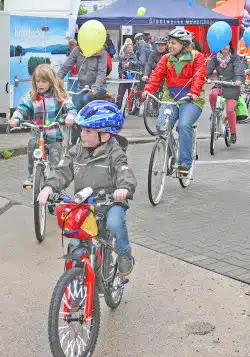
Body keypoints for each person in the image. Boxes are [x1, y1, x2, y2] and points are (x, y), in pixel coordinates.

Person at [37, 100, 137, 276]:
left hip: (110, 202)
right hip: (84, 203)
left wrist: (124, 188)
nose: (82, 134)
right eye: (82, 129)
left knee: (114, 223)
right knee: (75, 240)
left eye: (88, 131)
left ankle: (124, 254)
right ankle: (75, 283)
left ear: (104, 135)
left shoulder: (115, 154)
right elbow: (62, 171)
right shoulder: (77, 151)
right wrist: (48, 187)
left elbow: (124, 172)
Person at [142, 28, 206, 176]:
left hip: (191, 100)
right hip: (170, 98)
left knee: (184, 125)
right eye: (168, 43)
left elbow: (199, 77)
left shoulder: (197, 57)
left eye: (173, 43)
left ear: (183, 44)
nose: (169, 46)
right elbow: (156, 76)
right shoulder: (165, 59)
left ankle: (185, 163)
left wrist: (194, 93)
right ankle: (171, 154)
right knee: (160, 126)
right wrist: (148, 90)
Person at [9, 64, 77, 187]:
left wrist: (70, 117)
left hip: (54, 135)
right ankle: (31, 176)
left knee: (55, 163)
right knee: (31, 148)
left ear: (51, 82)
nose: (40, 84)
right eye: (37, 81)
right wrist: (15, 118)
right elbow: (22, 108)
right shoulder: (32, 96)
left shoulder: (59, 95)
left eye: (43, 81)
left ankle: (56, 187)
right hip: (37, 133)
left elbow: (70, 107)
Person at [57, 45, 107, 144]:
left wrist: (95, 88)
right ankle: (74, 145)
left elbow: (102, 73)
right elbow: (66, 66)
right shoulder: (78, 50)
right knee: (73, 109)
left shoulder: (101, 52)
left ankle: (93, 134)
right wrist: (56, 80)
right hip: (81, 88)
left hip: (98, 89)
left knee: (85, 99)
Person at [207, 41, 244, 144]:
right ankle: (214, 113)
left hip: (232, 85)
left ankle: (233, 133)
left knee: (229, 110)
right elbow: (208, 69)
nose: (224, 47)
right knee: (212, 94)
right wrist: (204, 76)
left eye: (226, 44)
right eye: (222, 45)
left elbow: (239, 70)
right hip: (220, 83)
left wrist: (238, 79)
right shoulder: (215, 58)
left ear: (230, 46)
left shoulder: (235, 58)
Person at [117, 44, 138, 108]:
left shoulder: (134, 56)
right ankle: (118, 107)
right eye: (128, 47)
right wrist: (121, 74)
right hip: (123, 77)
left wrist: (130, 63)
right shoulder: (122, 57)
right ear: (125, 49)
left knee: (130, 94)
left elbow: (137, 63)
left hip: (130, 77)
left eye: (131, 47)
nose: (130, 49)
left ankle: (129, 108)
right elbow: (119, 67)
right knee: (120, 94)